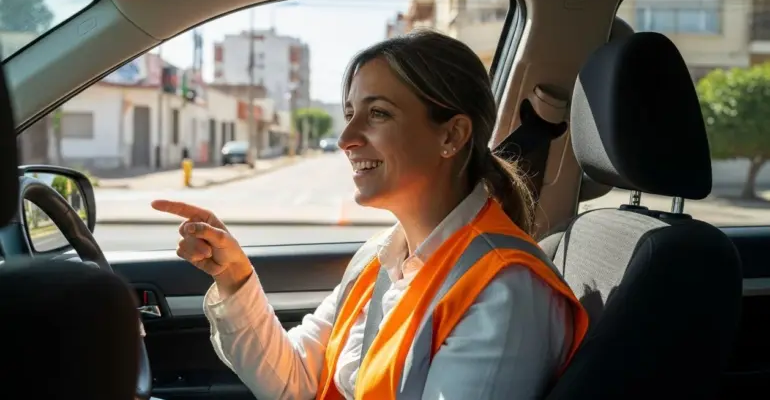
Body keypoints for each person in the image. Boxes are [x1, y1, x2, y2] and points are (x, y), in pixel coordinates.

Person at [151, 30, 589, 400]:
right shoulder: (381, 256)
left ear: (452, 135)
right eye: (349, 114)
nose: (346, 137)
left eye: (378, 113)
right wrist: (235, 278)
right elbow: (298, 379)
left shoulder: (504, 291)